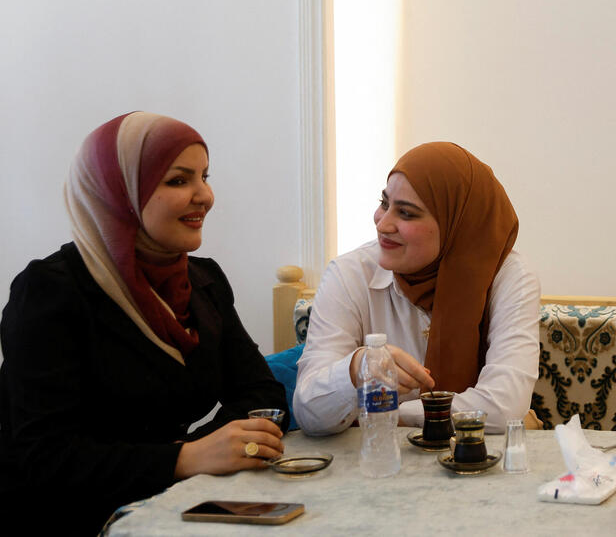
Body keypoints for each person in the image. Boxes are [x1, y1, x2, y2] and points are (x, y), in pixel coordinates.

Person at [0, 112, 288, 535]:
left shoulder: (203, 283)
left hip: (167, 503)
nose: (204, 195)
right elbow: (46, 455)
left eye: (204, 176)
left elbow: (263, 392)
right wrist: (186, 457)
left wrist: (204, 448)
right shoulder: (50, 292)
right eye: (178, 180)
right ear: (117, 193)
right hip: (63, 516)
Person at [294, 142, 540, 435]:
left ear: (456, 226)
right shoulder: (349, 274)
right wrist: (356, 370)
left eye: (406, 213)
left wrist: (387, 414)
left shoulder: (509, 277)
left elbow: (503, 407)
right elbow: (309, 412)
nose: (383, 224)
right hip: (376, 470)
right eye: (384, 203)